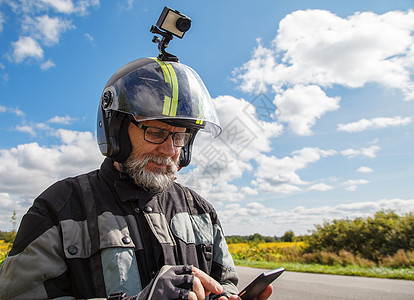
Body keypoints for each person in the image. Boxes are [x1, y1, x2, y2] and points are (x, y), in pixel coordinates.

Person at [0, 57, 273, 300]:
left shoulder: (201, 211)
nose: (170, 150)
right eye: (155, 131)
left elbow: (225, 282)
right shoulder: (59, 206)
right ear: (116, 132)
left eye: (180, 136)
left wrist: (223, 295)